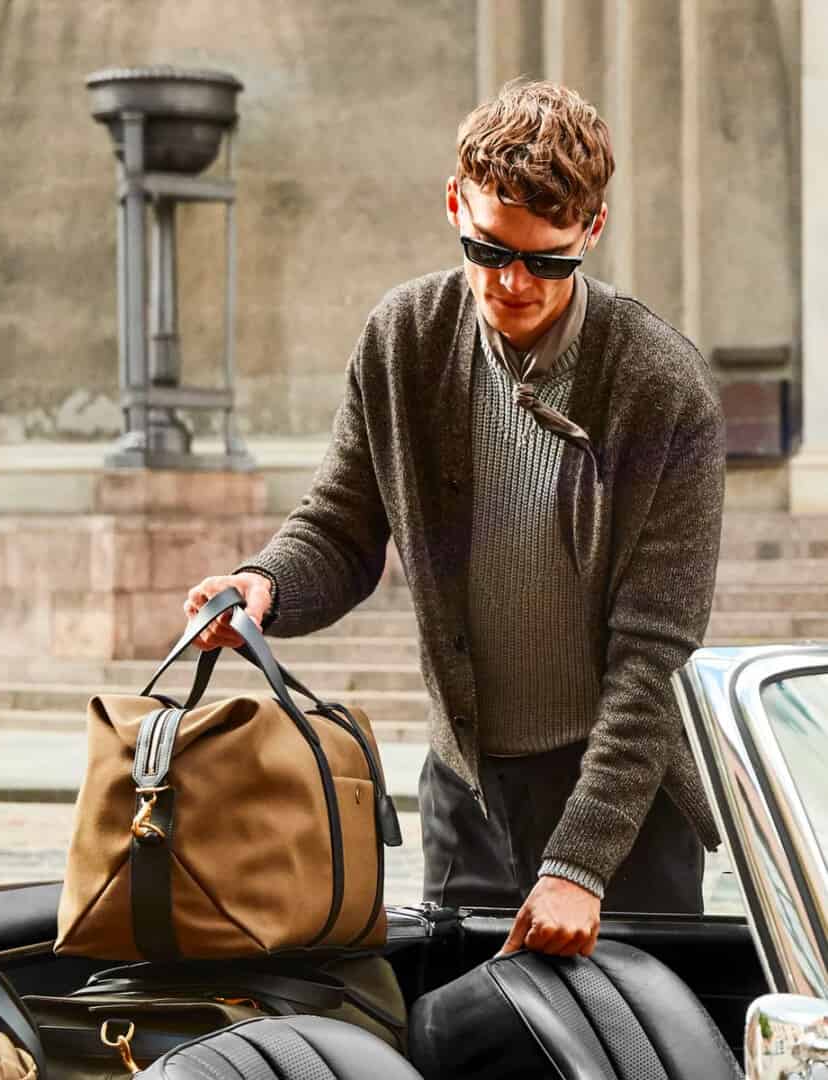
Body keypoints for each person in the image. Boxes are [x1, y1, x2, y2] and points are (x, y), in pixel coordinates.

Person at [184, 79, 725, 960]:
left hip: (624, 815)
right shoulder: (404, 338)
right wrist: (264, 585)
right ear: (453, 203)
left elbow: (655, 654)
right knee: (462, 1045)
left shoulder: (662, 387)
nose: (513, 283)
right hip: (466, 793)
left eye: (548, 261)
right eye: (487, 249)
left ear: (591, 231)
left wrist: (580, 864)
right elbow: (342, 524)